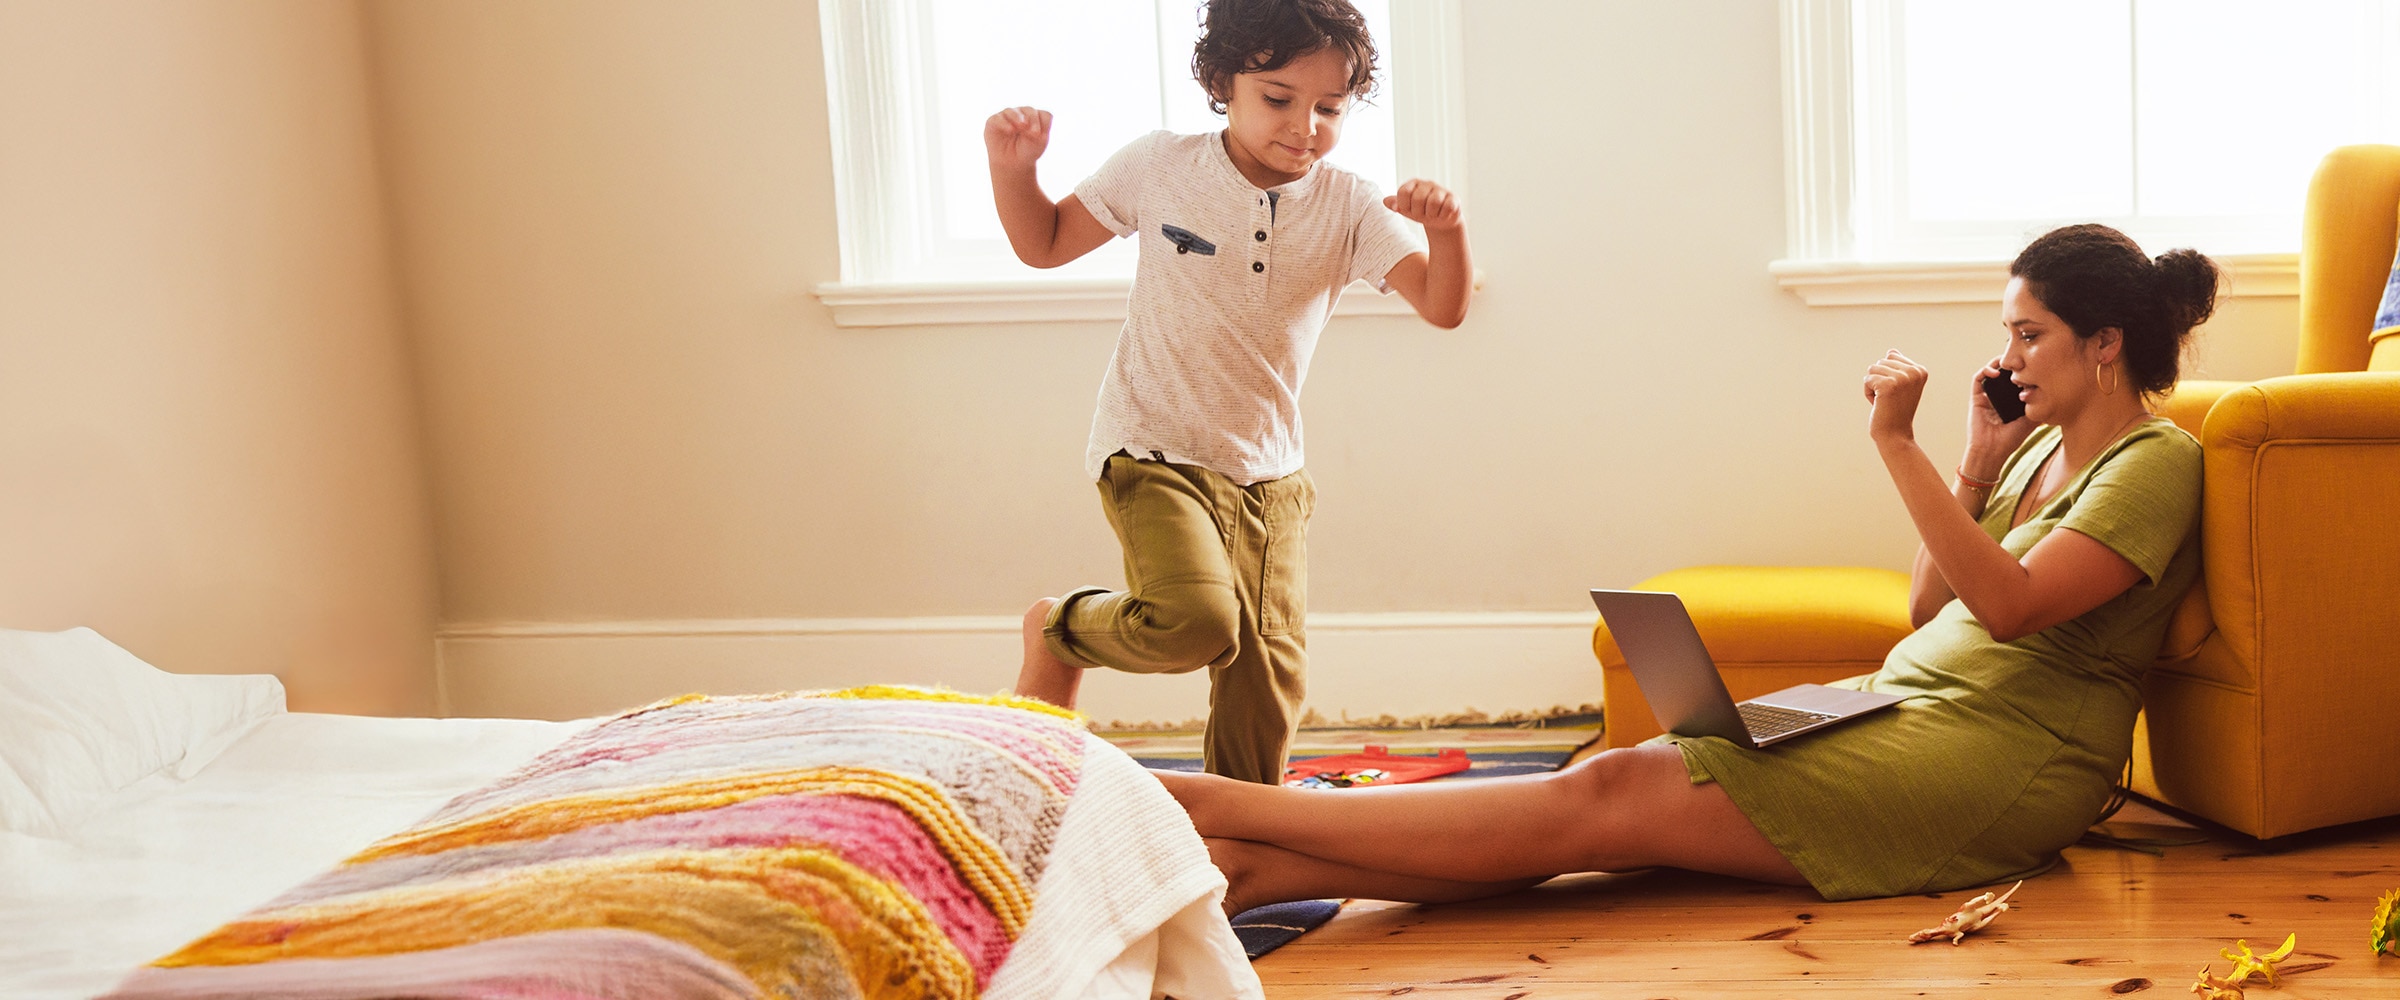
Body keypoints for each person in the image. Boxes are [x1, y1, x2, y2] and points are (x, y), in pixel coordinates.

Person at [1157, 223, 2218, 908]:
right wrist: (1976, 468)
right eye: (2009, 335)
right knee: (1616, 788)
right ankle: (1261, 873)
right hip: (1902, 701)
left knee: (1619, 786)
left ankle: (1226, 807)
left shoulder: (2155, 462)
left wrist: (1895, 448)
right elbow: (1929, 605)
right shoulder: (2030, 447)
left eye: (2030, 335)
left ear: (2106, 344)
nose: (2011, 358)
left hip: (2002, 761)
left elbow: (2015, 607)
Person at [986, 0, 1474, 784]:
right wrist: (1015, 171)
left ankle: (1236, 833)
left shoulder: (1348, 202)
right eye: (1279, 98)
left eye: (1329, 108)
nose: (1304, 126)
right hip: (1154, 450)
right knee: (1195, 624)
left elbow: (1443, 307)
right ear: (1223, 82)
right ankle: (1060, 624)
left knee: (1267, 676)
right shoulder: (1160, 166)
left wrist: (1447, 231)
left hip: (1271, 476)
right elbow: (1042, 243)